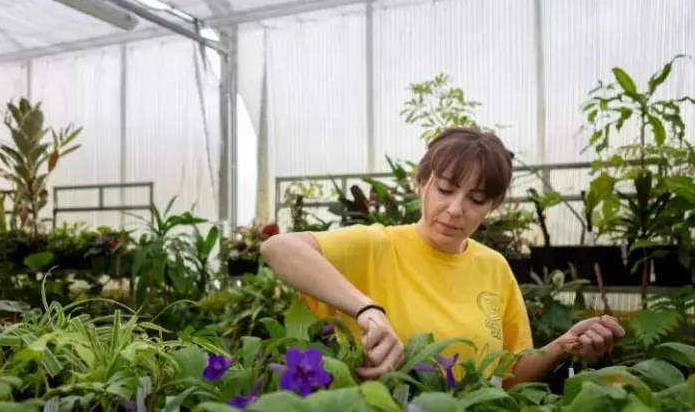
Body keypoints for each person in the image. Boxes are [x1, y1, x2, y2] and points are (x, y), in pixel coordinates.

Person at [260, 126, 626, 387]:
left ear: (493, 206)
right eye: (446, 189)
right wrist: (367, 309)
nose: (455, 209)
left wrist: (563, 346)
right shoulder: (377, 245)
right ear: (422, 183)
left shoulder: (493, 267)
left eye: (476, 199)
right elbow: (278, 248)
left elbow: (510, 375)